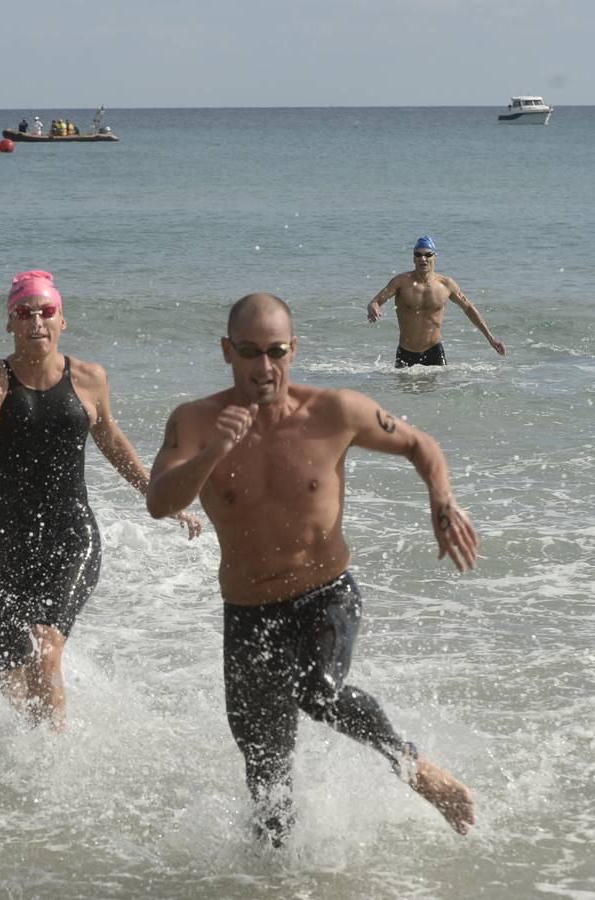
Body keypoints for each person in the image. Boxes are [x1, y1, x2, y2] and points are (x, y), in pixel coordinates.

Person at [146, 292, 478, 845]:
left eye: (276, 351)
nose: (264, 367)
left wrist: (441, 501)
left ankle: (413, 767)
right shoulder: (196, 422)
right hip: (248, 615)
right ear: (227, 351)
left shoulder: (334, 412)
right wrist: (211, 456)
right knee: (268, 789)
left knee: (318, 690)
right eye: (249, 352)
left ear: (294, 349)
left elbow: (422, 445)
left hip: (324, 596)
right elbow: (159, 501)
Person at [0, 270, 201, 730]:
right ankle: (28, 755)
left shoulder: (88, 378)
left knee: (45, 646)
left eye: (46, 311)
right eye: (24, 312)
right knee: (10, 677)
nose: (35, 321)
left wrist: (162, 495)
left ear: (63, 319)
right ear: (9, 323)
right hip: (3, 541)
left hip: (70, 534)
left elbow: (114, 442)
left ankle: (52, 766)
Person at [366, 236, 506, 367]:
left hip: (434, 352)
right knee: (404, 393)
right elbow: (376, 301)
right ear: (413, 259)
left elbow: (468, 308)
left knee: (438, 393)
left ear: (435, 258)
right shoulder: (400, 282)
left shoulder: (446, 285)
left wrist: (490, 338)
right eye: (418, 255)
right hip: (405, 353)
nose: (423, 258)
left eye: (428, 254)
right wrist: (374, 307)